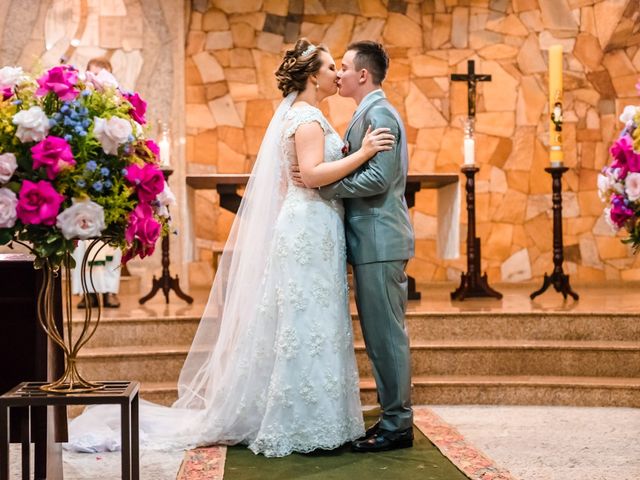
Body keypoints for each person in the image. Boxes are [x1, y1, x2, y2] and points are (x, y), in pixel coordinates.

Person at [68, 39, 395, 457]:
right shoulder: (308, 118)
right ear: (313, 76)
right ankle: (305, 421)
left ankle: (315, 415)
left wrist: (341, 156)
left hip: (313, 225)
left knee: (312, 321)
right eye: (332, 67)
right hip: (309, 227)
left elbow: (302, 175)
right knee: (306, 322)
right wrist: (364, 152)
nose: (337, 74)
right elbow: (311, 175)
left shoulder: (305, 116)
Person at [295, 41, 415, 452]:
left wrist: (327, 188)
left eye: (344, 67)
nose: (340, 74)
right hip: (371, 239)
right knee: (379, 335)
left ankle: (397, 424)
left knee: (386, 336)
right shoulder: (365, 113)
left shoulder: (378, 113)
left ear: (363, 75)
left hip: (381, 239)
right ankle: (391, 418)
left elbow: (378, 179)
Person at [73, 57, 121, 308]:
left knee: (111, 238)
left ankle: (110, 290)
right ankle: (85, 291)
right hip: (84, 178)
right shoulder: (80, 106)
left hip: (109, 177)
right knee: (82, 235)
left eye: (104, 75)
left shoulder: (119, 106)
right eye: (94, 75)